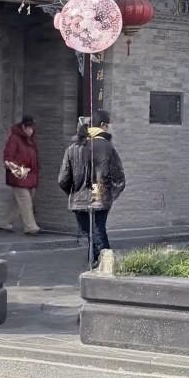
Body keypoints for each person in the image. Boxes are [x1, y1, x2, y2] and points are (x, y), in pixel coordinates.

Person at [58, 111, 125, 267]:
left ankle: (97, 261)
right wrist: (108, 195)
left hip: (79, 198)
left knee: (92, 232)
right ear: (103, 125)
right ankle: (105, 263)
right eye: (108, 125)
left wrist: (74, 193)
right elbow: (119, 179)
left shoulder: (73, 148)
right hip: (100, 195)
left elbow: (63, 179)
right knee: (97, 230)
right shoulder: (107, 147)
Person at [0, 115, 41, 234]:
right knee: (25, 201)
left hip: (29, 176)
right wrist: (20, 172)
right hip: (18, 176)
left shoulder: (30, 141)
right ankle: (30, 227)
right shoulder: (14, 139)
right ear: (23, 127)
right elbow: (8, 158)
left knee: (19, 202)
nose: (31, 130)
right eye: (29, 128)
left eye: (32, 128)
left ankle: (5, 222)